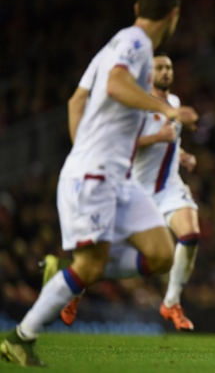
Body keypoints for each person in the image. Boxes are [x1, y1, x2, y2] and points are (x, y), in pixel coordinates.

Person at [0, 0, 197, 367]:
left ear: (139, 7)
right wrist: (167, 109)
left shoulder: (113, 46)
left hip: (116, 176)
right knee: (90, 265)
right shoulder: (137, 44)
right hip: (94, 174)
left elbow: (77, 100)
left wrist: (85, 145)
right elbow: (116, 83)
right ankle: (21, 337)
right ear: (173, 16)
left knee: (161, 253)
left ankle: (69, 275)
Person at [57, 53, 201, 331]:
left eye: (169, 67)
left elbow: (171, 139)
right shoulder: (135, 106)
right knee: (97, 254)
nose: (166, 72)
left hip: (168, 187)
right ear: (149, 73)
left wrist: (182, 155)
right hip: (134, 191)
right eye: (159, 67)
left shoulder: (173, 103)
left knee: (191, 233)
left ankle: (171, 302)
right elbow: (122, 143)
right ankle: (72, 291)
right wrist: (158, 138)